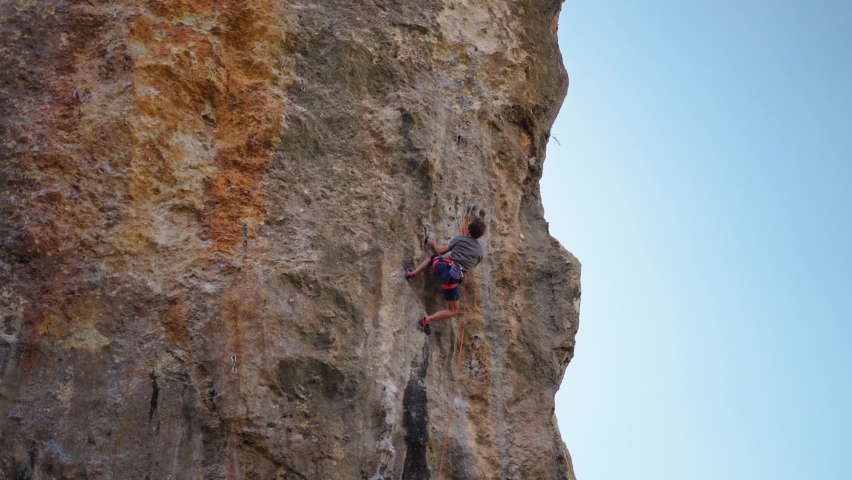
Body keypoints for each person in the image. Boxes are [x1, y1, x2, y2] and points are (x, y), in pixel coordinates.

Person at [405, 217, 486, 334]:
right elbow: (469, 267)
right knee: (453, 311)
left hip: (441, 265)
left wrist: (434, 244)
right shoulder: (480, 253)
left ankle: (412, 273)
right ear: (480, 235)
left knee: (432, 258)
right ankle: (426, 321)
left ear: (468, 230)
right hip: (451, 277)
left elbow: (441, 251)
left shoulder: (460, 239)